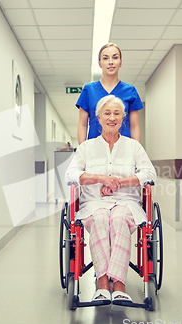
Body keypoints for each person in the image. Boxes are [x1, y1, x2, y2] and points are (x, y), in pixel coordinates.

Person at [66, 95, 156, 309]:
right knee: (100, 218)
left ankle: (120, 287)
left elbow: (149, 173)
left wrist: (120, 182)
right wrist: (100, 179)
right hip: (94, 203)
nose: (112, 117)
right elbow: (71, 174)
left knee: (117, 218)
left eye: (117, 113)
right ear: (98, 117)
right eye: (107, 113)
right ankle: (103, 282)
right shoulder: (86, 147)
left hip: (127, 203)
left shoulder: (134, 147)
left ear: (123, 118)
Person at [76, 43, 144, 144]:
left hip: (124, 150)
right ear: (99, 63)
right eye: (105, 58)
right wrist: (83, 151)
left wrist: (136, 152)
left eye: (115, 57)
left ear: (120, 63)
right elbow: (82, 125)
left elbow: (134, 126)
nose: (111, 62)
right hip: (95, 150)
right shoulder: (89, 90)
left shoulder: (130, 91)